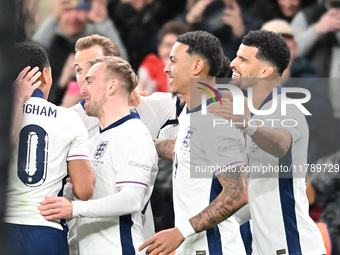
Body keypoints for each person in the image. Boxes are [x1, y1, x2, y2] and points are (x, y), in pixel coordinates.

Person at [208, 30, 326, 254]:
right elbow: (255, 193)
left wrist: (247, 125)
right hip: (265, 248)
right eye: (236, 56)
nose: (233, 63)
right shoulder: (252, 115)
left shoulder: (287, 108)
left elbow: (281, 144)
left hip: (294, 247)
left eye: (243, 59)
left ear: (265, 71)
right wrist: (223, 221)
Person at [139, 30, 248, 255]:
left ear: (197, 66)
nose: (166, 68)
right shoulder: (192, 114)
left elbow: (237, 193)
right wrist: (134, 140)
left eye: (173, 61)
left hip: (216, 249)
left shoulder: (215, 119)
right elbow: (182, 148)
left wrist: (180, 232)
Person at [38, 56, 159, 255]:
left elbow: (131, 199)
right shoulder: (93, 140)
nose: (82, 90)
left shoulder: (134, 133)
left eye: (90, 81)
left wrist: (74, 209)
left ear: (112, 86)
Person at [5, 41, 95, 255]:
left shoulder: (6, 114)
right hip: (46, 231)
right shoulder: (69, 119)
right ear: (46, 75)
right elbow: (84, 190)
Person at [32, 0, 127, 105]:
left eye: (79, 9)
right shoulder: (51, 41)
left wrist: (102, 21)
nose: (73, 16)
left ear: (88, 12)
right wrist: (53, 19)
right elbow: (31, 55)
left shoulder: (97, 36)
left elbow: (122, 65)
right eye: (68, 10)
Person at [137, 20, 192, 94]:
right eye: (168, 45)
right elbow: (140, 89)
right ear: (159, 48)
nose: (171, 52)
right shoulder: (151, 63)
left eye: (176, 47)